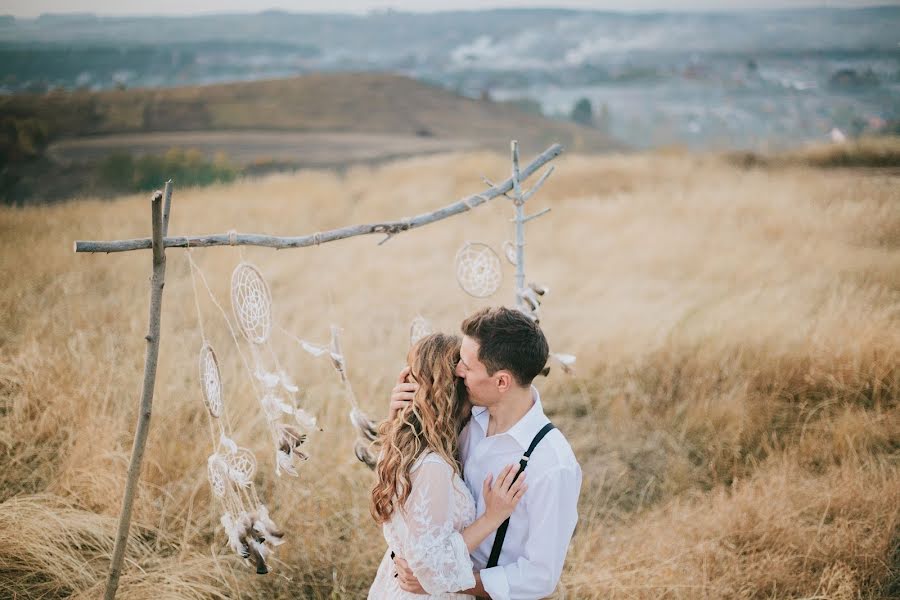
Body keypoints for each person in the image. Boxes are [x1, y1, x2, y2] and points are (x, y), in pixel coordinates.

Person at [388, 307, 582, 599]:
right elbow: (412, 495)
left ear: (502, 381)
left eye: (467, 365)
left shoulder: (552, 465)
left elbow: (539, 577)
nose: (457, 371)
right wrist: (401, 417)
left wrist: (448, 580)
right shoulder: (461, 417)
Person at [369, 332, 529, 599]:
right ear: (453, 388)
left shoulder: (400, 445)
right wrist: (492, 518)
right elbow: (430, 566)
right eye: (465, 375)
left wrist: (395, 415)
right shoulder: (432, 465)